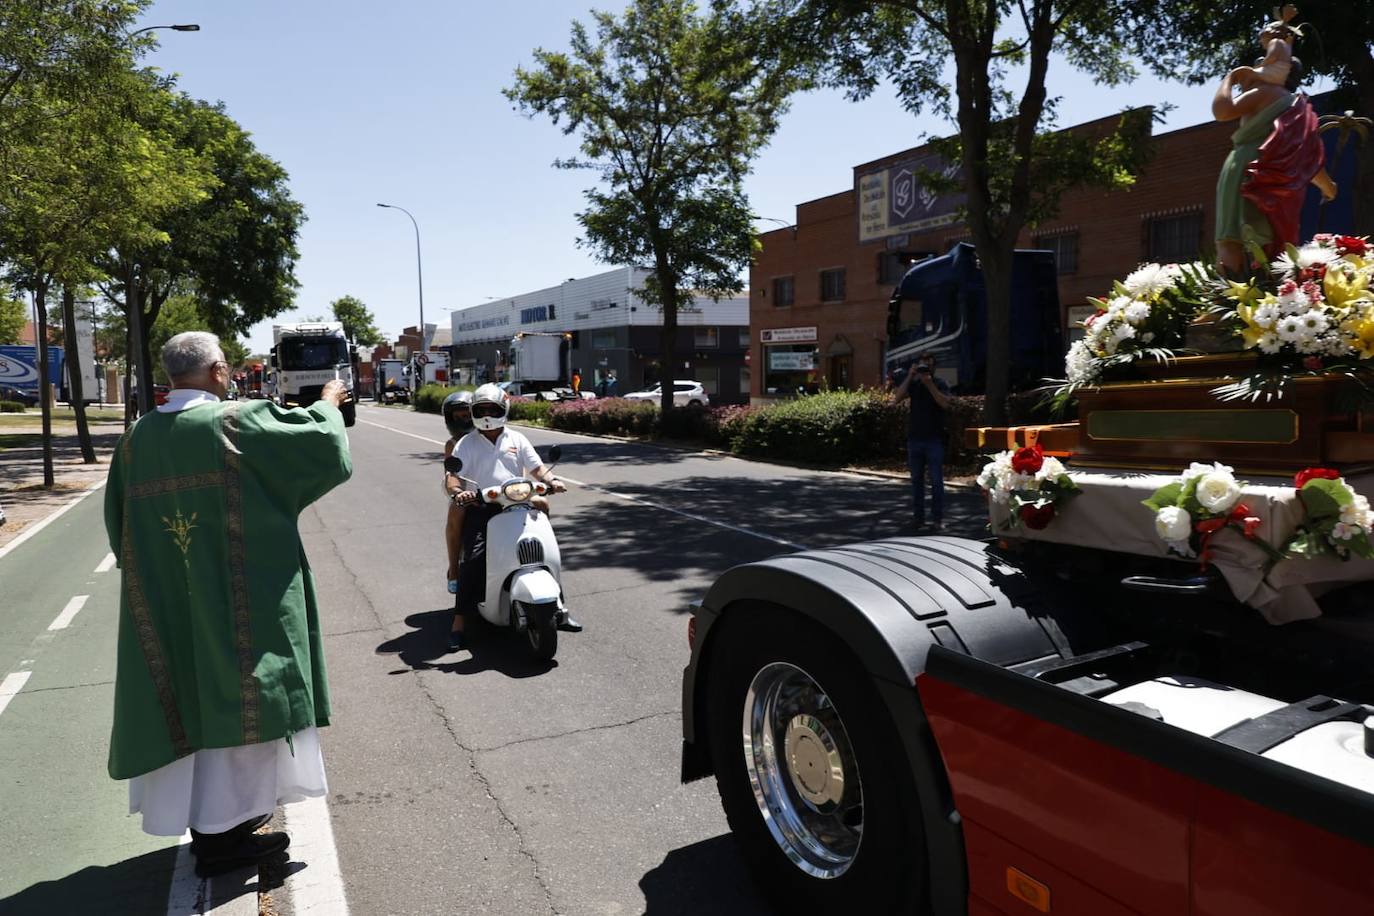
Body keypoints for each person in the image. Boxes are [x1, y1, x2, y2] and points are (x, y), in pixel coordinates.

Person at [104, 331, 352, 877]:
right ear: (219, 371)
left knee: (190, 705)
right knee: (246, 698)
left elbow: (116, 528)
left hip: (171, 604)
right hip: (248, 598)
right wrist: (329, 405)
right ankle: (225, 841)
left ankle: (218, 832)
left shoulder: (135, 441)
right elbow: (325, 448)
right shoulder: (238, 421)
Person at [445, 383, 580, 651]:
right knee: (473, 560)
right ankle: (459, 622)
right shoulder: (467, 443)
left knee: (545, 552)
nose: (486, 414)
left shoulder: (516, 439)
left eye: (491, 408)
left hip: (518, 503)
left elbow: (537, 467)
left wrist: (552, 480)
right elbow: (453, 477)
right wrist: (458, 492)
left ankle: (558, 608)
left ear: (503, 409)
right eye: (480, 409)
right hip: (483, 508)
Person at [1212, 49, 1334, 276]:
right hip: (1280, 179)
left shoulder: (1262, 92)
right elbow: (1308, 161)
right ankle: (1275, 298)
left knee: (1231, 240)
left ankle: (1223, 300)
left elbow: (1222, 111)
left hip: (1245, 167)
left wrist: (1230, 77)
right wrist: (1328, 187)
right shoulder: (1299, 107)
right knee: (1275, 242)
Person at [892, 352, 951, 533]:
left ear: (934, 368)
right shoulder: (914, 385)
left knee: (936, 481)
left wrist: (929, 383)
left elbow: (945, 404)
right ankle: (918, 518)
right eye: (922, 365)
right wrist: (910, 376)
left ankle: (938, 519)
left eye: (929, 365)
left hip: (934, 439)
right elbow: (897, 397)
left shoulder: (940, 384)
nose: (925, 368)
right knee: (916, 481)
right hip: (915, 439)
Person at [441, 391, 475, 601]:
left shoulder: (492, 436)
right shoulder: (452, 444)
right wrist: (458, 492)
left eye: (468, 414)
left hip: (497, 491)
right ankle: (454, 568)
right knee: (456, 512)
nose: (465, 419)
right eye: (459, 416)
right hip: (464, 491)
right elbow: (451, 475)